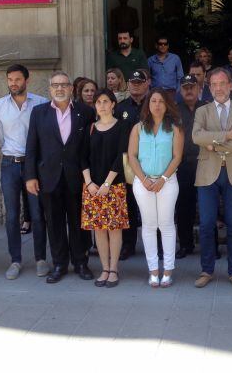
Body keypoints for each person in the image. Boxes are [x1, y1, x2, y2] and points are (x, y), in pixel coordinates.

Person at [25, 71, 96, 284]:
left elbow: (90, 147)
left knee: (78, 222)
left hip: (77, 176)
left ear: (71, 88)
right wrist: (30, 176)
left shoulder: (85, 112)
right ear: (50, 89)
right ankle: (59, 264)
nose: (59, 89)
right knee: (54, 223)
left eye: (64, 85)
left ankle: (81, 262)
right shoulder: (39, 113)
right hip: (49, 177)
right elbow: (32, 146)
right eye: (55, 85)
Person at [193, 68, 232, 290]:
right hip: (208, 172)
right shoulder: (202, 111)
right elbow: (196, 136)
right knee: (207, 224)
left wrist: (212, 144)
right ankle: (206, 270)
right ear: (210, 88)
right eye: (214, 84)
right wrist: (226, 136)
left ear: (230, 86)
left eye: (222, 83)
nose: (218, 88)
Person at [0, 64, 49, 280]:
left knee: (36, 213)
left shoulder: (41, 103)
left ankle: (41, 258)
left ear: (27, 79)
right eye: (10, 79)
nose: (13, 83)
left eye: (17, 79)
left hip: (33, 165)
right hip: (9, 164)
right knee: (12, 214)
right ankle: (15, 260)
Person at [127, 88, 184, 287]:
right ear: (148, 105)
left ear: (166, 104)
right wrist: (143, 179)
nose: (157, 105)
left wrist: (163, 178)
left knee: (166, 224)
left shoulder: (175, 128)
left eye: (160, 101)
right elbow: (132, 155)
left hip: (167, 182)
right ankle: (153, 270)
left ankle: (168, 269)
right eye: (153, 101)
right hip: (143, 182)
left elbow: (177, 156)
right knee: (149, 225)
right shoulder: (138, 128)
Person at [80, 88, 130, 289]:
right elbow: (81, 156)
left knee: (115, 229)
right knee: (99, 230)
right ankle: (105, 268)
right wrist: (89, 182)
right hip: (92, 187)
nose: (101, 105)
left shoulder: (122, 126)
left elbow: (121, 157)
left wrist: (107, 184)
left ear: (113, 104)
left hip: (114, 186)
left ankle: (114, 269)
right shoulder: (90, 128)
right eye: (98, 101)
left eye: (105, 101)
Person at [114, 68, 151, 259]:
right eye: (133, 83)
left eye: (140, 82)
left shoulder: (154, 105)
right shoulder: (120, 108)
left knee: (152, 205)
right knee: (128, 204)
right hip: (127, 164)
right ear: (128, 84)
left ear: (147, 84)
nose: (136, 86)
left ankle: (155, 246)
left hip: (151, 162)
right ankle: (128, 245)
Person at [175, 75, 207, 259]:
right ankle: (185, 244)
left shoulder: (207, 108)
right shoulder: (174, 110)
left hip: (204, 162)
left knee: (206, 207)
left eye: (192, 87)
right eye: (185, 87)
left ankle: (210, 247)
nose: (188, 90)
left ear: (198, 88)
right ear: (180, 89)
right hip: (182, 164)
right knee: (184, 207)